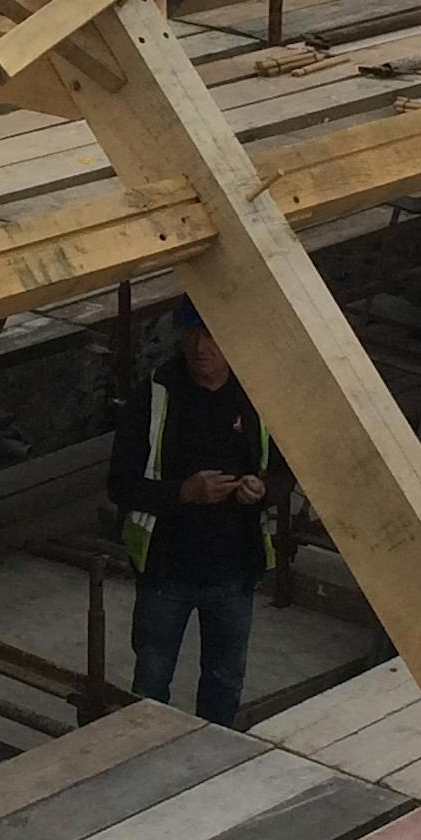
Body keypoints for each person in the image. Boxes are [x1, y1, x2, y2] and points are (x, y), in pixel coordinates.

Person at [107, 298, 291, 729]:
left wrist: (261, 490)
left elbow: (286, 472)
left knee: (224, 682)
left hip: (232, 572)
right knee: (152, 683)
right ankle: (144, 756)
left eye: (209, 336)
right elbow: (120, 484)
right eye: (190, 335)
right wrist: (183, 493)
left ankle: (214, 760)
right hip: (166, 572)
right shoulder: (155, 395)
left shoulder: (255, 396)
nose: (199, 348)